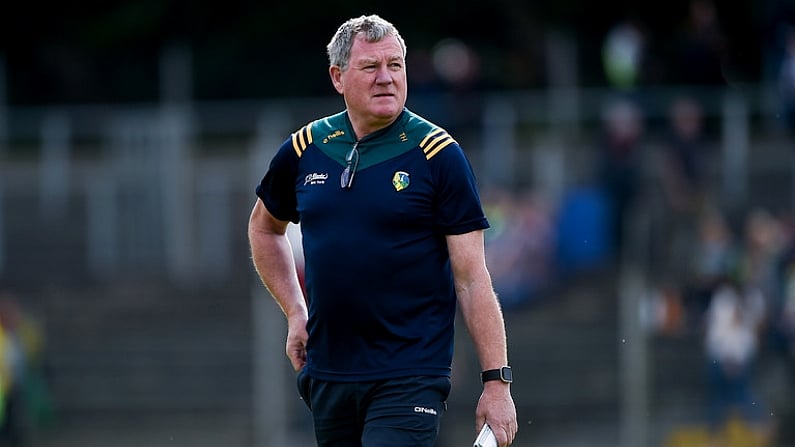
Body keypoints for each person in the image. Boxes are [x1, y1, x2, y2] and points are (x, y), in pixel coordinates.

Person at [247, 14, 518, 447]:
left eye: (395, 65)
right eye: (371, 67)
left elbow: (472, 279)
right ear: (338, 77)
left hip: (409, 376)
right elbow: (264, 229)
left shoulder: (438, 155)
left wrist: (497, 382)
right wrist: (296, 312)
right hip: (329, 374)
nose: (386, 78)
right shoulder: (306, 148)